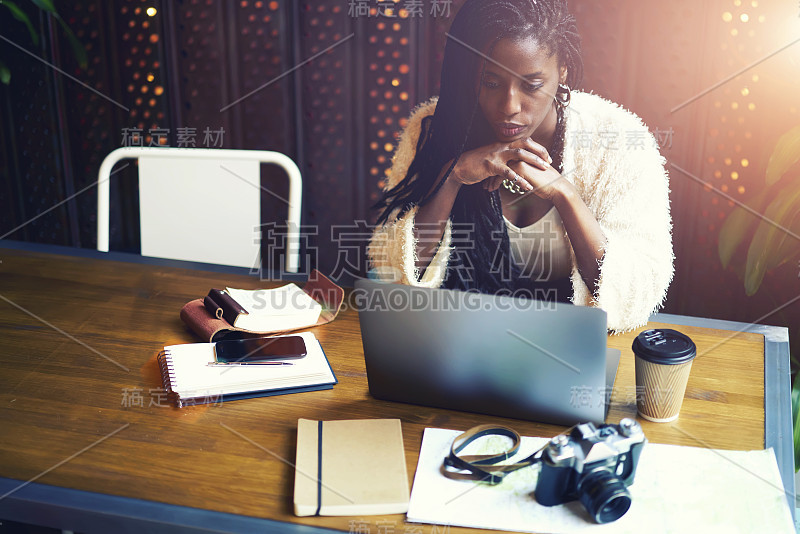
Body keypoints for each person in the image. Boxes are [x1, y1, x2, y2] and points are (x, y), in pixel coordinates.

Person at [367, 0, 673, 332]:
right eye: (491, 82)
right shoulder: (433, 130)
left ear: (563, 71)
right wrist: (452, 177)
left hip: (572, 345)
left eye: (531, 85)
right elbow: (390, 272)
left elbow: (639, 289)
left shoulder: (617, 140)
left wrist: (565, 195)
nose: (509, 106)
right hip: (455, 341)